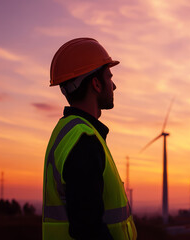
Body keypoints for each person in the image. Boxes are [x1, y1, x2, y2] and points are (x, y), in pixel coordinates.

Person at [42, 38, 137, 240]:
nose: (115, 85)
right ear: (96, 83)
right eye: (109, 77)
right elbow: (88, 228)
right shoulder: (83, 140)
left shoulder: (67, 132)